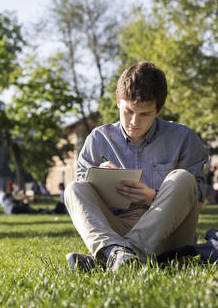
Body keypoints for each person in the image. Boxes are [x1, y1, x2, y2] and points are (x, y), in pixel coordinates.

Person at [64, 62, 208, 272]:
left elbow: (198, 201)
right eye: (128, 111)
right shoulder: (98, 140)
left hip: (171, 234)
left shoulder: (184, 138)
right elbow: (87, 206)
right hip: (118, 226)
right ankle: (118, 254)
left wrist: (153, 196)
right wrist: (102, 182)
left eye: (145, 114)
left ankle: (116, 256)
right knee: (74, 189)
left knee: (183, 178)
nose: (134, 122)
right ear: (117, 100)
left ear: (159, 108)